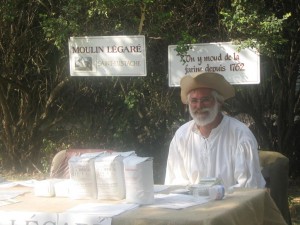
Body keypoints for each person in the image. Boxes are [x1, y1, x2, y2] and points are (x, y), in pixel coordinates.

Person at [164, 72, 266, 190]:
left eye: (205, 99)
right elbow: (175, 184)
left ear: (219, 102)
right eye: (194, 101)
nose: (199, 106)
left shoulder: (240, 135)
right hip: (191, 206)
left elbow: (249, 189)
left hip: (233, 207)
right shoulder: (181, 136)